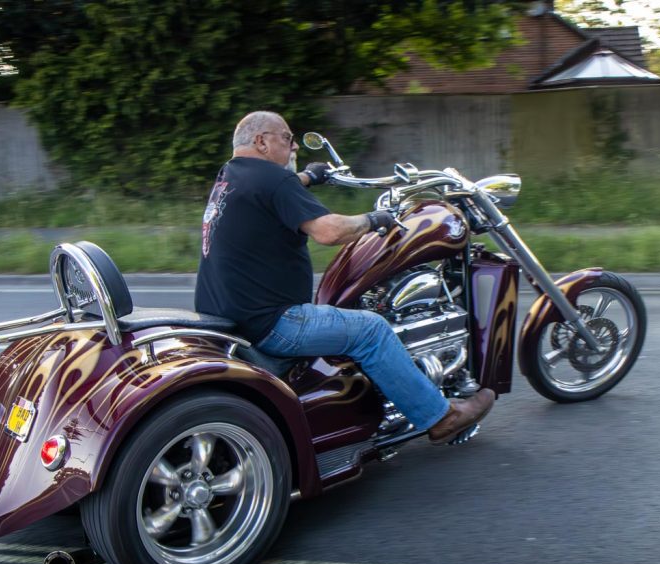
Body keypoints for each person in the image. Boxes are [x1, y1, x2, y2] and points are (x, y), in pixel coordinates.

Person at [194, 111, 494, 444]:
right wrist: (374, 219)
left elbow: (272, 191)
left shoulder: (231, 175)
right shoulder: (273, 179)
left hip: (227, 316)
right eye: (287, 138)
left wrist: (310, 176)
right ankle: (440, 416)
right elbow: (329, 231)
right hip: (273, 324)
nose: (295, 146)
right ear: (261, 141)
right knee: (372, 329)